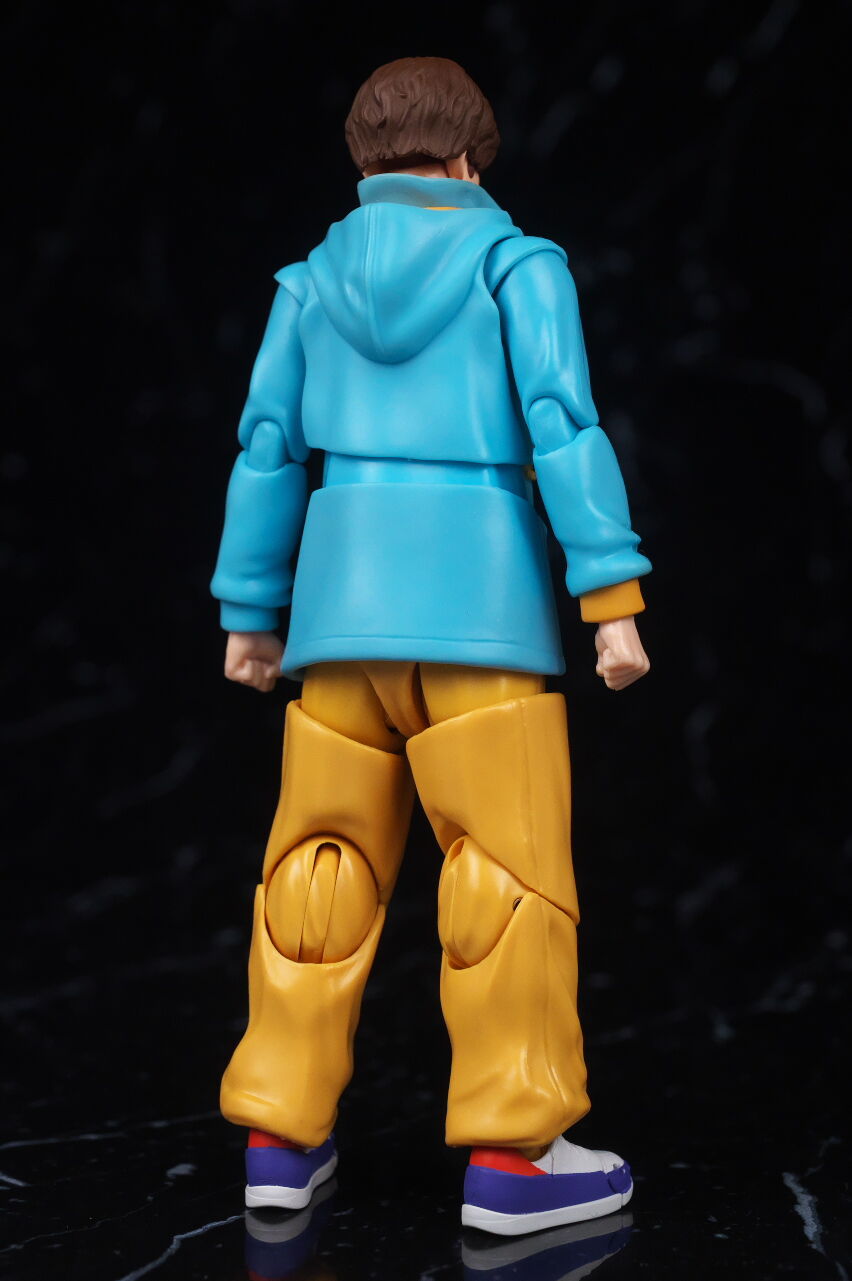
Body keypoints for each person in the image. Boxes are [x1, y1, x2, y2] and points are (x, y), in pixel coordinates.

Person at [211, 56, 651, 1236]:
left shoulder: (307, 282)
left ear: (366, 162)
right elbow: (561, 424)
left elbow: (267, 445)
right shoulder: (517, 265)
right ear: (468, 158)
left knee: (315, 875)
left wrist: (250, 612)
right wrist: (610, 596)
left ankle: (280, 1137)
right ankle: (516, 1159)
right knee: (502, 879)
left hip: (337, 621)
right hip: (480, 616)